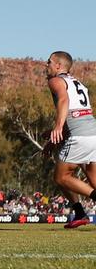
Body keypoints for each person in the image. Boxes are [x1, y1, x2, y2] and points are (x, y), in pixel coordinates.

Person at [44, 50, 96, 229]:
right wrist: (52, 140)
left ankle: (81, 211)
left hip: (80, 136)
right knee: (94, 182)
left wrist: (58, 126)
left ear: (58, 65)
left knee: (61, 177)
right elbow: (77, 114)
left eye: (49, 62)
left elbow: (64, 101)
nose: (46, 65)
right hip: (92, 134)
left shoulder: (56, 80)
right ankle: (80, 214)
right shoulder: (77, 82)